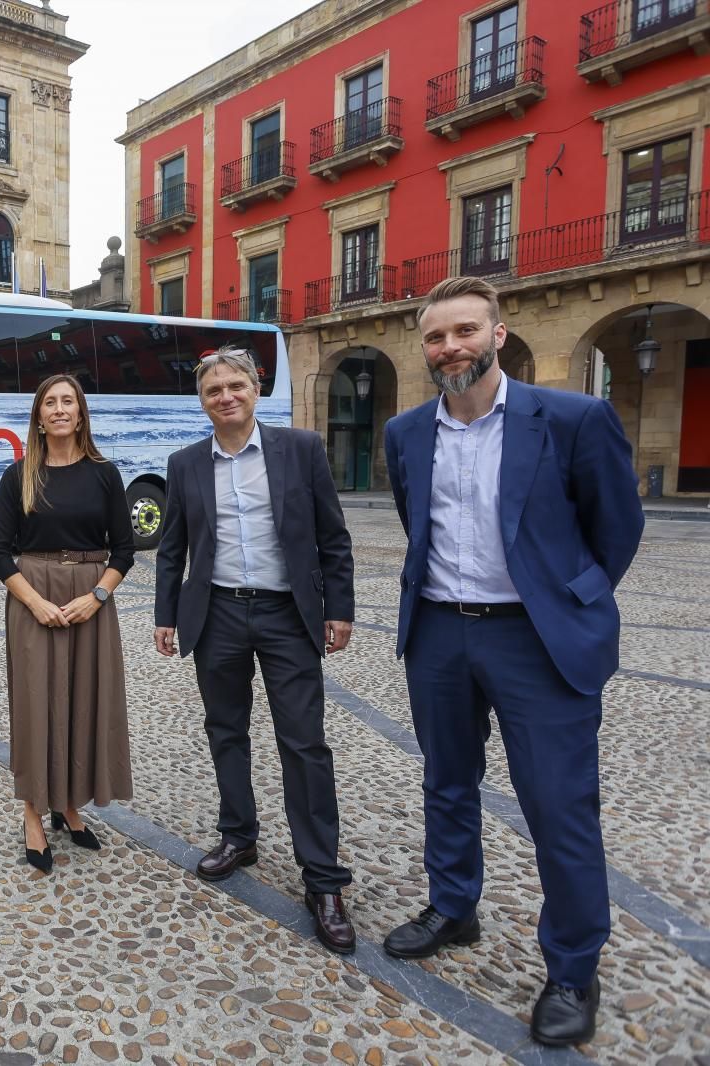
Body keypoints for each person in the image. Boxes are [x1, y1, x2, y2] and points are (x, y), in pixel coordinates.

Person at [381, 276, 644, 1047]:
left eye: (464, 330)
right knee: (446, 782)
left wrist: (570, 601)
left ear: (499, 334)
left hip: (533, 639)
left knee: (559, 807)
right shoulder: (405, 433)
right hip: (438, 632)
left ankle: (571, 967)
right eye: (435, 337)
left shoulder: (572, 417)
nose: (449, 347)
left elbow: (615, 528)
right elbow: (413, 519)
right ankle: (453, 906)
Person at [153, 345, 358, 954]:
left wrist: (339, 608)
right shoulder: (186, 462)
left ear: (255, 387)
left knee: (304, 742)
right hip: (216, 613)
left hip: (286, 615)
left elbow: (333, 536)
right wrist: (167, 616)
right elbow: (172, 547)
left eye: (235, 385)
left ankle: (323, 879)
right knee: (226, 730)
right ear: (203, 401)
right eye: (213, 390)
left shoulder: (301, 450)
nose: (225, 396)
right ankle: (238, 834)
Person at [0, 372, 135, 874]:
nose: (59, 409)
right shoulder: (19, 475)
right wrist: (34, 603)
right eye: (49, 402)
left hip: (90, 600)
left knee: (84, 704)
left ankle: (68, 806)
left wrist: (97, 596)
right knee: (37, 707)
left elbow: (126, 549)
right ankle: (33, 812)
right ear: (39, 415)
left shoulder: (104, 473)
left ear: (80, 412)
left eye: (67, 401)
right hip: (35, 599)